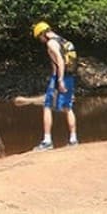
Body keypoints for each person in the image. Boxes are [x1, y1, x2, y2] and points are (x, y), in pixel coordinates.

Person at [31, 20, 79, 150]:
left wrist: (59, 80)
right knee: (68, 107)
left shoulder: (51, 43)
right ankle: (73, 139)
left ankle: (47, 141)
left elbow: (60, 61)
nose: (40, 40)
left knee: (47, 106)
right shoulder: (63, 41)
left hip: (61, 77)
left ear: (43, 34)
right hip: (70, 76)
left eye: (39, 37)